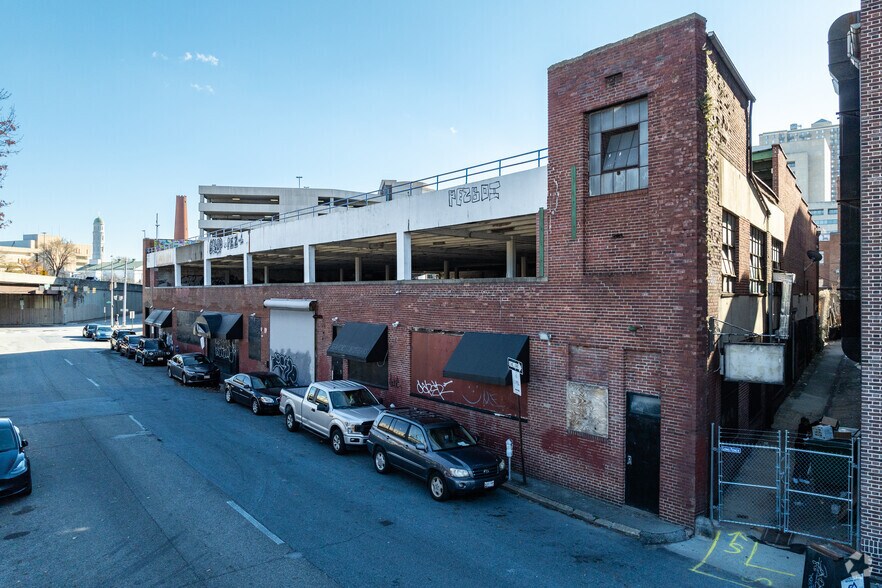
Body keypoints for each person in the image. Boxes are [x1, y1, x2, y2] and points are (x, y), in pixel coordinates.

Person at [793, 417, 813, 485]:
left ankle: (802, 477)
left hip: (805, 448)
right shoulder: (801, 427)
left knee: (806, 462)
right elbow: (805, 429)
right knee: (799, 462)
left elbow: (810, 429)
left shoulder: (808, 428)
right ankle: (795, 476)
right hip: (799, 447)